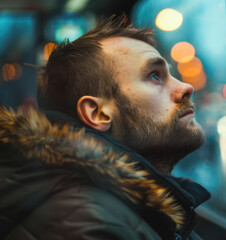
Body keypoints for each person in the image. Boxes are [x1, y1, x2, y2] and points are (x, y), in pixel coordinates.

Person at [0, 14, 210, 240]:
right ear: (97, 113)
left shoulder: (125, 207)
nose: (186, 87)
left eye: (171, 75)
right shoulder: (88, 222)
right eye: (155, 76)